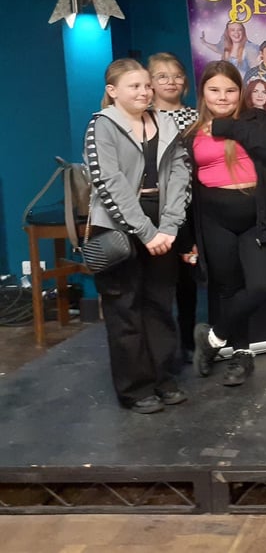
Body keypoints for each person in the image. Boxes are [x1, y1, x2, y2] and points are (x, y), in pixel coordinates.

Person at [84, 59, 190, 413]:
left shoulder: (165, 122)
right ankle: (136, 389)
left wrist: (170, 226)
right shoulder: (102, 125)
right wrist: (145, 233)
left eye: (147, 85)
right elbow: (108, 182)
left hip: (162, 222)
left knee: (159, 304)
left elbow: (179, 174)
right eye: (135, 86)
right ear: (113, 91)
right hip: (119, 224)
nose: (144, 91)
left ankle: (164, 378)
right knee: (125, 307)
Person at [189, 61, 266, 387]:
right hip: (213, 220)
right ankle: (241, 354)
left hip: (256, 220)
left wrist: (226, 127)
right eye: (214, 90)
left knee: (261, 286)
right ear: (203, 91)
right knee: (228, 290)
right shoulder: (192, 131)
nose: (222, 97)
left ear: (240, 92)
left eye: (230, 90)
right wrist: (187, 238)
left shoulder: (256, 119)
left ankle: (213, 339)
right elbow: (185, 186)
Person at [148, 52, 199, 363]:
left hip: (197, 208)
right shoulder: (143, 118)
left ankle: (190, 340)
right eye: (162, 76)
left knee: (190, 279)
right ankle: (161, 347)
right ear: (150, 83)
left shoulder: (197, 118)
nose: (171, 82)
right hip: (159, 211)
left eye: (177, 75)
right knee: (161, 280)